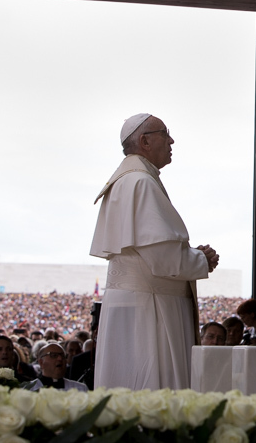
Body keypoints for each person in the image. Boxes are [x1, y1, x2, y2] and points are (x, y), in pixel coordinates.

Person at [90, 113, 220, 390]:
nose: (171, 140)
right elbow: (164, 260)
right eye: (165, 133)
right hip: (151, 308)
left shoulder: (129, 181)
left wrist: (190, 254)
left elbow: (150, 247)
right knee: (154, 389)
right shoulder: (141, 182)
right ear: (144, 141)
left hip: (133, 303)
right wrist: (202, 259)